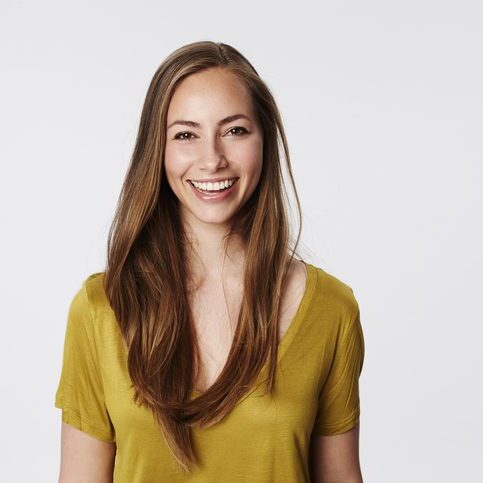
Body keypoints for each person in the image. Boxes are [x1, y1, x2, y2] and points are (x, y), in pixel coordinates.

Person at [54, 40, 365, 482]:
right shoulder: (100, 308)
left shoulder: (331, 309)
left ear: (265, 142)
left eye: (235, 130)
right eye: (185, 134)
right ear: (156, 151)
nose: (212, 159)